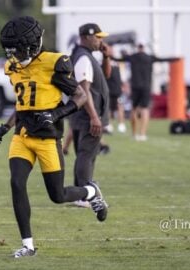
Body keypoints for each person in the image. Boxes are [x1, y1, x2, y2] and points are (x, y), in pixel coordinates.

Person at [0, 16, 108, 258]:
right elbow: (23, 104)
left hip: (47, 139)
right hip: (22, 135)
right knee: (16, 183)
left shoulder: (55, 63)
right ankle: (28, 245)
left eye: (19, 50)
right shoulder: (13, 66)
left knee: (58, 196)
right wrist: (5, 126)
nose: (14, 55)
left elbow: (80, 96)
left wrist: (55, 114)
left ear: (32, 46)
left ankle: (91, 192)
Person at [69, 23, 111, 207]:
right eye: (98, 37)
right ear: (87, 37)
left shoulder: (87, 56)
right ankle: (83, 195)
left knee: (85, 155)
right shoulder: (83, 58)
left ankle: (82, 192)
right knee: (86, 155)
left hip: (84, 115)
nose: (101, 41)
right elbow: (83, 89)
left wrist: (106, 56)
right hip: (87, 116)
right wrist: (94, 116)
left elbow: (107, 75)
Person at [112, 42, 178, 141]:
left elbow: (118, 59)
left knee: (134, 109)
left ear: (137, 47)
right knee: (145, 109)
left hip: (135, 86)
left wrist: (108, 55)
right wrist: (176, 59)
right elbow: (163, 59)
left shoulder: (132, 57)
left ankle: (134, 134)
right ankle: (142, 134)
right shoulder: (149, 57)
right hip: (146, 87)